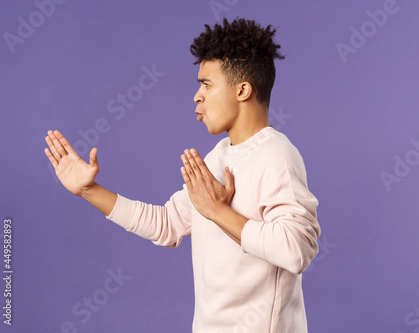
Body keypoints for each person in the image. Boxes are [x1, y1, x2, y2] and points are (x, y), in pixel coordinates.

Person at [44, 18, 321, 332]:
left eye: (206, 83)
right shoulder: (218, 156)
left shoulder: (276, 154)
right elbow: (166, 224)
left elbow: (295, 250)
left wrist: (217, 211)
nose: (196, 96)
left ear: (242, 90)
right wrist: (88, 190)